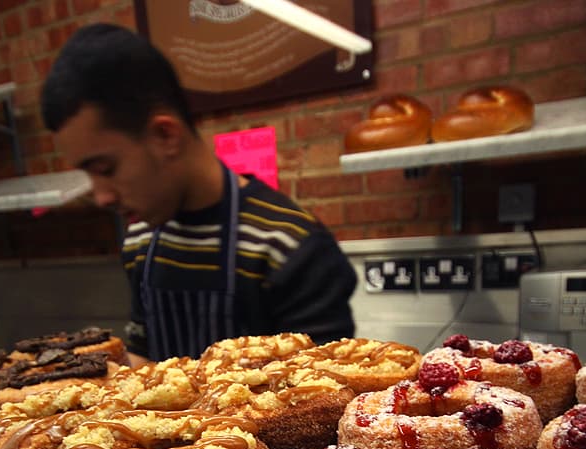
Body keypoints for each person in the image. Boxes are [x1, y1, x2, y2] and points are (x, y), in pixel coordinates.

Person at [41, 23, 358, 366]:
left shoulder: (287, 247)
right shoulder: (140, 240)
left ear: (166, 136)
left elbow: (324, 394)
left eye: (105, 169)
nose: (100, 197)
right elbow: (142, 355)